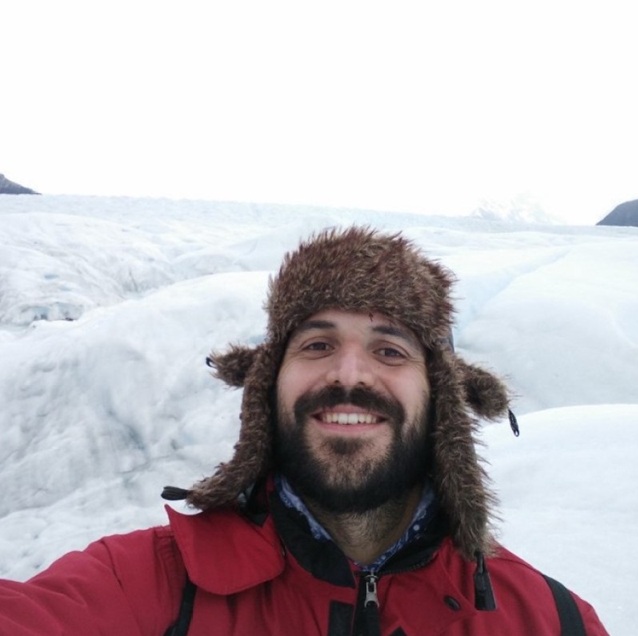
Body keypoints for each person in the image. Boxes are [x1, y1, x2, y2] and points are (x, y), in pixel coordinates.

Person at [0, 227, 608, 635]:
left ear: (442, 398)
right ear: (269, 383)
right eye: (317, 345)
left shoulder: (550, 621)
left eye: (390, 351)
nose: (349, 374)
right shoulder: (148, 587)